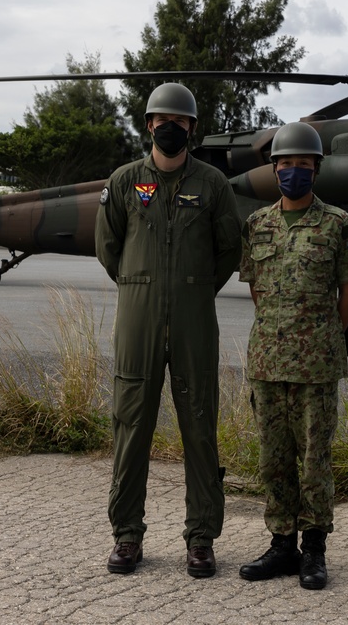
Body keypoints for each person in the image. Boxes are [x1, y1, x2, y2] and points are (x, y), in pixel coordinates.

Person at [94, 82, 243, 579]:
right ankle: (127, 535)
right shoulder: (123, 181)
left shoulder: (213, 185)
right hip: (137, 321)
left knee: (199, 427)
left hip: (194, 322)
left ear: (192, 130)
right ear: (149, 124)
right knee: (131, 425)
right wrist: (141, 286)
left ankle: (201, 539)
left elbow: (228, 249)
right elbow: (108, 246)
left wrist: (194, 289)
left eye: (179, 123)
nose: (170, 129)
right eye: (162, 121)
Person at [237, 121, 348, 590]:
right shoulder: (257, 223)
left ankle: (314, 551)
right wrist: (281, 328)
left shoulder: (338, 223)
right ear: (275, 169)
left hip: (316, 362)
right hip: (268, 360)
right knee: (273, 457)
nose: (294, 170)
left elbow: (347, 291)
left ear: (316, 168)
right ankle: (281, 546)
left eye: (303, 164)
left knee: (315, 459)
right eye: (286, 163)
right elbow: (255, 287)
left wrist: (321, 333)